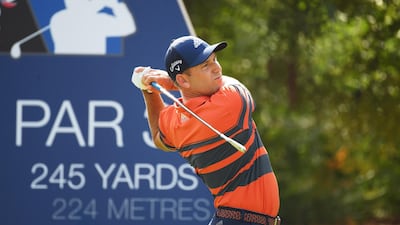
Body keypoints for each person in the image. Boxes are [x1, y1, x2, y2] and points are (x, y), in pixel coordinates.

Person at [132, 36, 281, 225]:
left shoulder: (175, 122)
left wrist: (148, 90)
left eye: (214, 60)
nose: (217, 68)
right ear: (183, 80)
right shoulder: (229, 104)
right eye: (205, 66)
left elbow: (157, 137)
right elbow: (234, 85)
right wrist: (169, 83)